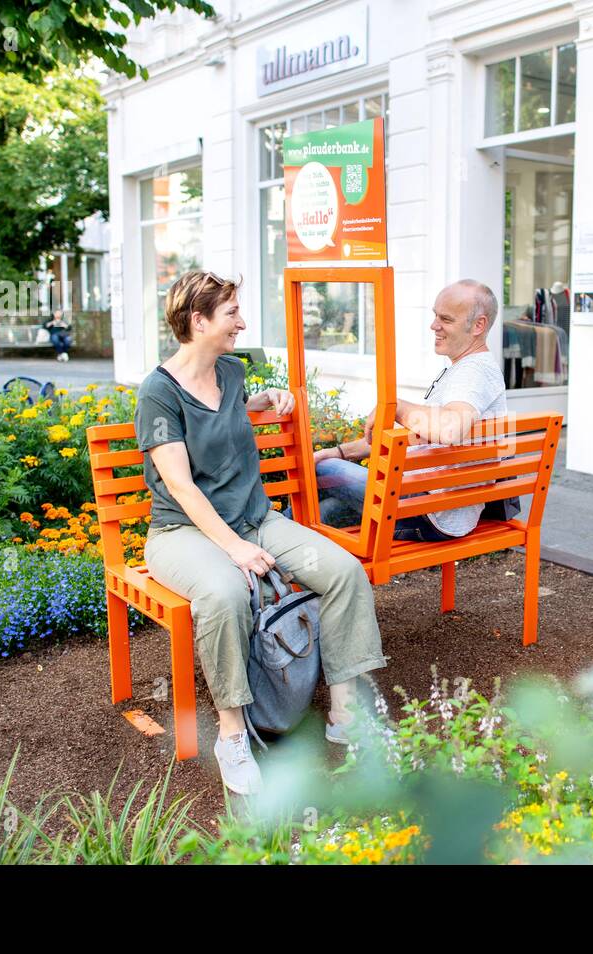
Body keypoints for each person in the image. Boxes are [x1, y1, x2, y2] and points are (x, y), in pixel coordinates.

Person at [134, 270, 387, 797]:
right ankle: (232, 733)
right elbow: (179, 486)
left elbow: (228, 412)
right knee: (225, 594)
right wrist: (234, 548)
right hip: (184, 533)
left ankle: (344, 714)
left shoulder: (229, 370)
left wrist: (266, 397)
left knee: (342, 572)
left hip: (257, 519)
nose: (241, 321)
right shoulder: (158, 393)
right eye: (231, 313)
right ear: (197, 321)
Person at [306, 280, 508, 541]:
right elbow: (412, 437)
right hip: (430, 508)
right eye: (435, 315)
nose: (434, 325)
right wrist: (340, 452)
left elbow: (449, 429)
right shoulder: (467, 370)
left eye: (445, 319)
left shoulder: (474, 372)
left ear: (478, 326)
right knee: (320, 514)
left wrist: (395, 407)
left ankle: (255, 542)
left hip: (429, 512)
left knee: (322, 470)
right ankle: (268, 558)